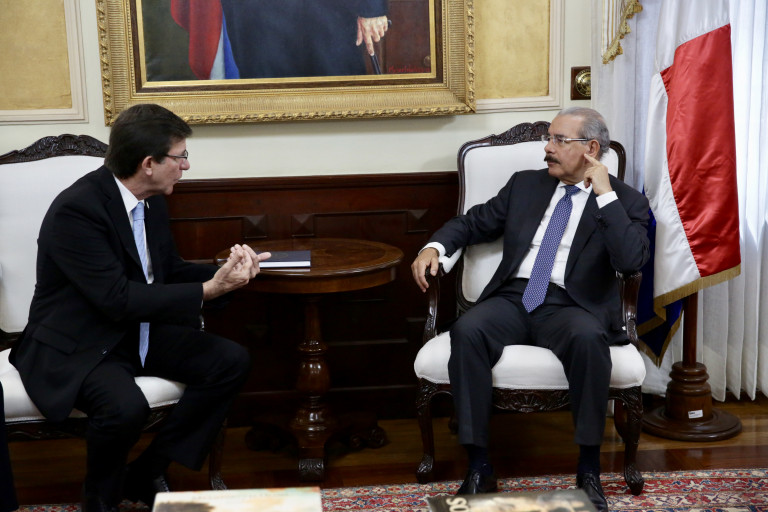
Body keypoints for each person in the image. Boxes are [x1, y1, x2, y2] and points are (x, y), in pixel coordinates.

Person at [9, 104, 269, 512]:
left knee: (229, 361)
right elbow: (116, 298)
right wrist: (208, 290)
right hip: (80, 342)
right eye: (180, 156)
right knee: (124, 408)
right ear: (149, 163)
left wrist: (226, 274)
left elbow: (166, 271)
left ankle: (147, 471)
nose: (185, 166)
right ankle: (100, 501)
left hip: (134, 331)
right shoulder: (78, 210)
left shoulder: (149, 199)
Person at [410, 108, 650, 512]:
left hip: (571, 305)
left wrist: (605, 196)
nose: (547, 148)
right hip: (514, 297)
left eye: (559, 140)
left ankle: (589, 471)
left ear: (591, 149)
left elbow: (631, 261)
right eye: (549, 138)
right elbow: (472, 223)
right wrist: (433, 247)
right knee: (467, 331)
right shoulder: (526, 184)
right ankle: (479, 466)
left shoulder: (625, 201)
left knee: (589, 341)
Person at [219, 0, 389, 78]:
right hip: (257, 15)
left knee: (339, 105)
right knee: (266, 106)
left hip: (328, 13)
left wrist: (372, 6)